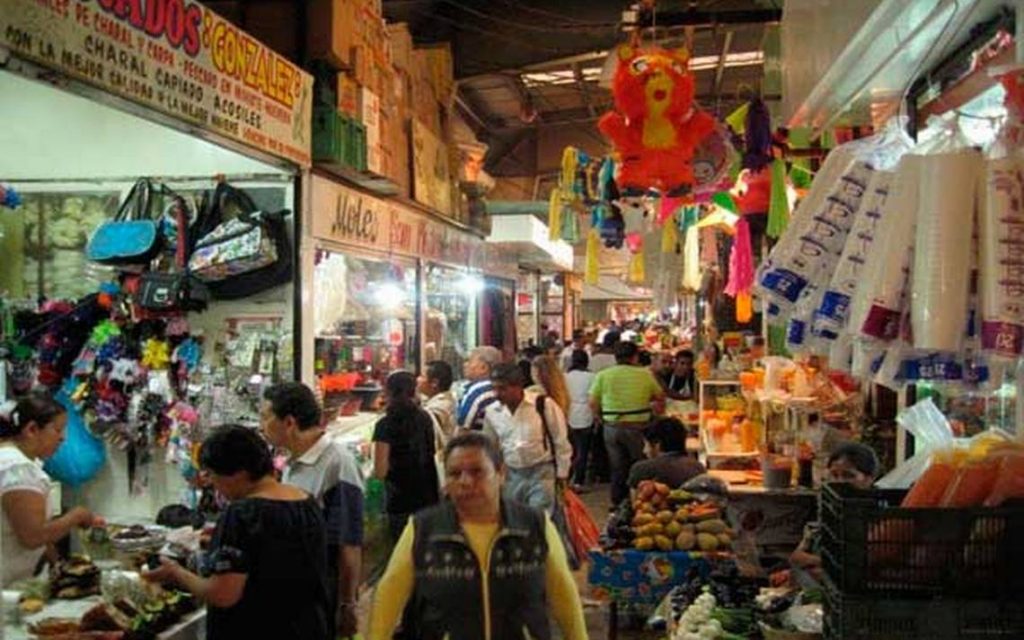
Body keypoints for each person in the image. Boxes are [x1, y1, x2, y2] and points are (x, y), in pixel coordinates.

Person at [368, 432, 587, 640]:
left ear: (501, 474)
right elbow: (389, 597)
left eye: (477, 471)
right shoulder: (422, 529)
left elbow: (564, 597)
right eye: (455, 474)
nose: (465, 482)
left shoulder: (535, 526)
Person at [145, 425, 331, 640]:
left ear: (238, 474)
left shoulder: (242, 514)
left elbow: (222, 594)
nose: (213, 484)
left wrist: (176, 573)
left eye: (213, 475)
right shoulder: (305, 501)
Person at [260, 382, 364, 638]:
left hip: (323, 591)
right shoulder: (292, 461)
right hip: (296, 591)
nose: (261, 425)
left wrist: (347, 603)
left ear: (289, 423)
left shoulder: (338, 463)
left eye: (265, 417)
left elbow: (349, 542)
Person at [0, 394, 103, 587]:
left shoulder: (11, 459)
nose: (63, 438)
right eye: (57, 430)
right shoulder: (17, 469)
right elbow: (33, 536)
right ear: (32, 429)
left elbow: (35, 531)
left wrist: (58, 565)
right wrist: (77, 516)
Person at [483, 363, 572, 512]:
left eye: (502, 389)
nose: (497, 394)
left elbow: (560, 441)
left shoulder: (543, 405)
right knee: (516, 519)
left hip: (542, 474)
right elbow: (490, 446)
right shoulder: (492, 412)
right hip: (511, 476)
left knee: (539, 520)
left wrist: (562, 475)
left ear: (518, 387)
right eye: (494, 388)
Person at [590, 341, 666, 507]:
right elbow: (660, 397)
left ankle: (618, 503)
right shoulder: (645, 374)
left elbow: (593, 401)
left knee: (617, 467)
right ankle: (640, 502)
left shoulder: (603, 375)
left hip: (612, 427)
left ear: (615, 358)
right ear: (635, 357)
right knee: (638, 465)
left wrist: (599, 417)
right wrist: (656, 414)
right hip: (638, 427)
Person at [789, 442, 880, 579]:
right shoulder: (829, 508)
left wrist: (824, 566)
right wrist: (824, 564)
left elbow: (865, 564)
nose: (839, 481)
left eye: (849, 475)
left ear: (870, 478)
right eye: (834, 475)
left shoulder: (880, 515)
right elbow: (796, 557)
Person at [373, 371, 441, 542]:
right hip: (427, 495)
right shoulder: (424, 417)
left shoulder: (384, 424)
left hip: (399, 499)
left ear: (388, 391)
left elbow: (380, 471)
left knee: (402, 552)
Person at [628, 417, 705, 490]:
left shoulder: (641, 469)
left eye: (646, 444)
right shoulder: (697, 468)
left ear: (657, 444)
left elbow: (636, 501)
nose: (644, 450)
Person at [565, 350, 596, 490]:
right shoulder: (592, 377)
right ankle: (579, 480)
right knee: (583, 450)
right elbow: (594, 398)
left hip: (569, 413)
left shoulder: (565, 376)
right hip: (586, 414)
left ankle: (566, 478)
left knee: (570, 450)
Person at [456, 346, 502, 431]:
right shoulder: (498, 388)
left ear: (483, 368)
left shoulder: (478, 391)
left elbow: (463, 427)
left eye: (470, 361)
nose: (465, 365)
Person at [419, 360, 457, 450]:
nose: (418, 379)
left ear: (434, 383)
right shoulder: (437, 400)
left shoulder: (441, 406)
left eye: (422, 376)